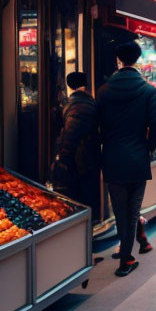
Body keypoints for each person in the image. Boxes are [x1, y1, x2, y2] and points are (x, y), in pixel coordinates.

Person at [96, 41, 156, 277]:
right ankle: (126, 257)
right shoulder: (148, 91)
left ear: (118, 61)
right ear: (138, 60)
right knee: (132, 211)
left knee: (119, 210)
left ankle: (125, 253)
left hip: (112, 157)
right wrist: (147, 150)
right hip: (137, 158)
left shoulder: (103, 91)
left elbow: (97, 127)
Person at [50, 72, 100, 219]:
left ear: (69, 85)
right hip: (86, 158)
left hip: (81, 160)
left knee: (80, 197)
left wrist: (62, 159)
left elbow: (71, 136)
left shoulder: (78, 106)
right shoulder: (87, 102)